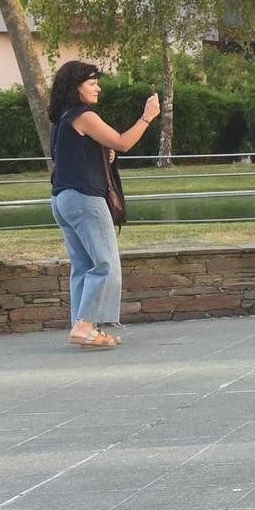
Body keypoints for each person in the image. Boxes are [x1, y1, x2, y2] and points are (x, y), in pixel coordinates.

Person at [47, 61, 159, 349]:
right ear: (76, 87)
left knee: (83, 265)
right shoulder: (83, 116)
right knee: (105, 264)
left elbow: (84, 154)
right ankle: (85, 326)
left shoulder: (62, 120)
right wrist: (147, 117)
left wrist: (103, 153)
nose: (98, 87)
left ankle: (84, 327)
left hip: (62, 199)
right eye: (92, 82)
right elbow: (122, 142)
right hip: (85, 198)